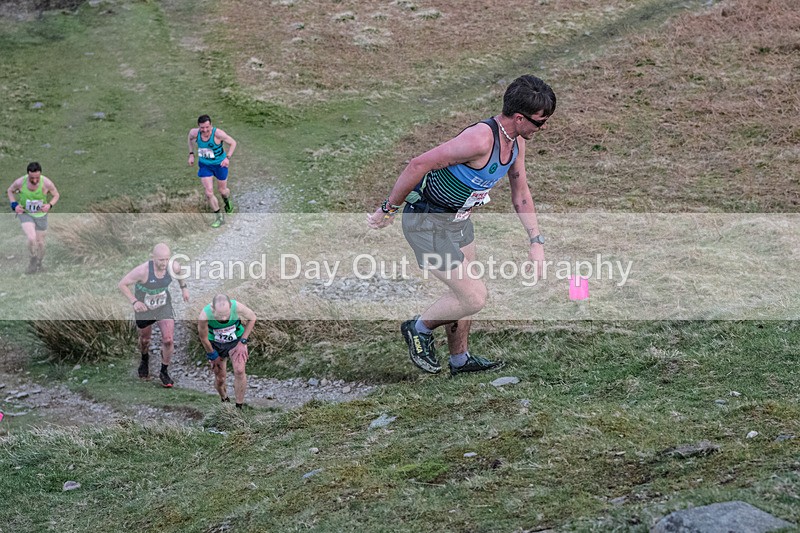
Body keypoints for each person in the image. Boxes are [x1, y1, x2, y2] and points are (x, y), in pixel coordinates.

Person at [367, 75, 556, 377]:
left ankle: (460, 360)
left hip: (459, 221)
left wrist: (536, 241)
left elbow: (521, 194)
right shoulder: (480, 139)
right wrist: (388, 208)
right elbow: (418, 164)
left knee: (463, 292)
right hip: (427, 222)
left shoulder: (516, 142)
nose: (542, 128)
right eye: (540, 122)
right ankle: (418, 329)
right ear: (519, 117)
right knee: (473, 296)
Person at [118, 243, 189, 387]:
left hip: (163, 305)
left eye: (166, 259)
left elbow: (180, 272)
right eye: (160, 260)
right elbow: (122, 284)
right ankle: (144, 359)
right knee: (145, 340)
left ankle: (164, 371)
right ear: (153, 258)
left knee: (168, 339)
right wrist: (134, 301)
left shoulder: (172, 266)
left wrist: (184, 289)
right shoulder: (142, 271)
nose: (164, 263)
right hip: (145, 308)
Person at [197, 294, 256, 409]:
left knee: (239, 371)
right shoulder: (204, 315)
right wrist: (213, 355)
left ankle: (239, 407)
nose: (224, 318)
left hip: (236, 341)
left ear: (230, 306)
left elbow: (252, 317)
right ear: (213, 308)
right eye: (220, 315)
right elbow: (203, 338)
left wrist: (243, 342)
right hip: (215, 344)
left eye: (226, 314)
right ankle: (224, 398)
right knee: (220, 378)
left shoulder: (236, 306)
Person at [7, 162, 60, 274]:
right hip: (25, 213)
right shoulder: (20, 182)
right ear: (28, 175)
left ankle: (39, 264)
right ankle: (32, 260)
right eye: (32, 178)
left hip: (41, 215)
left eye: (37, 177)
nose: (35, 180)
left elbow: (56, 195)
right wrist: (14, 205)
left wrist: (49, 205)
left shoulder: (46, 183)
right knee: (32, 238)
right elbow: (10, 191)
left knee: (40, 242)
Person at [187, 114, 237, 228]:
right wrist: (191, 154)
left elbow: (233, 143)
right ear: (198, 127)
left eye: (207, 127)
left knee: (222, 190)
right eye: (202, 128)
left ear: (211, 125)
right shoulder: (194, 133)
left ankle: (227, 202)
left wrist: (227, 158)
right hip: (205, 165)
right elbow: (189, 139)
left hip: (220, 165)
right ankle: (219, 217)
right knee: (209, 192)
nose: (204, 130)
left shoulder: (218, 134)